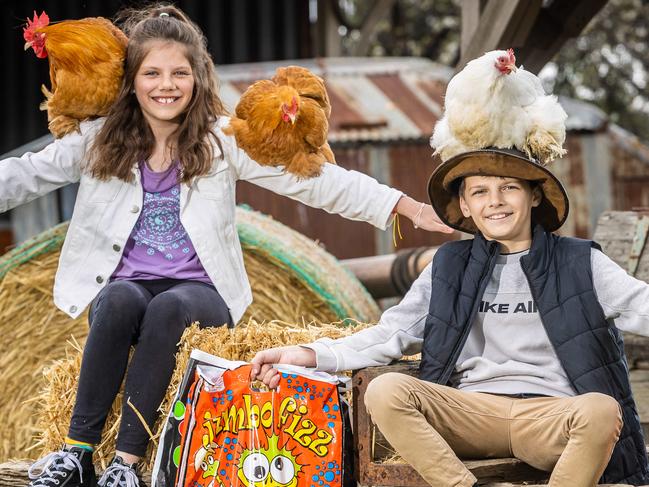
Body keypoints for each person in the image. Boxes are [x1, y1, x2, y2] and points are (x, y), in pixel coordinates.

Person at [2, 5, 453, 487]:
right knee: (115, 298)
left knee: (168, 308)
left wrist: (403, 205)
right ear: (131, 80)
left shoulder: (222, 141)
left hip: (201, 292)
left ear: (198, 78)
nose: (165, 84)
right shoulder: (97, 139)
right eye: (151, 73)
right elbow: (27, 173)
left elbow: (312, 181)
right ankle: (77, 453)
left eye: (179, 72)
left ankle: (125, 465)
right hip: (127, 286)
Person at [252, 146, 649, 487]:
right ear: (464, 205)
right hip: (469, 412)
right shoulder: (448, 266)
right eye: (480, 192)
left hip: (550, 416)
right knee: (385, 390)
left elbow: (641, 305)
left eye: (508, 187)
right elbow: (392, 333)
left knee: (601, 411)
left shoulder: (580, 262)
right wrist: (306, 354)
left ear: (533, 196)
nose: (494, 201)